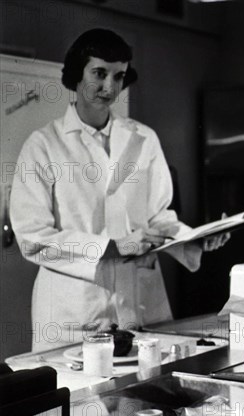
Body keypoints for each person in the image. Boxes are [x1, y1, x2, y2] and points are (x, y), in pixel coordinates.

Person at [10, 29, 228, 351]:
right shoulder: (43, 146)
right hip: (74, 313)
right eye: (99, 73)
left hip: (140, 305)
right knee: (81, 399)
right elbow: (32, 237)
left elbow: (159, 216)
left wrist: (195, 238)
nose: (109, 87)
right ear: (76, 74)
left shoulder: (143, 139)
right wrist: (113, 246)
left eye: (119, 76)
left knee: (142, 396)